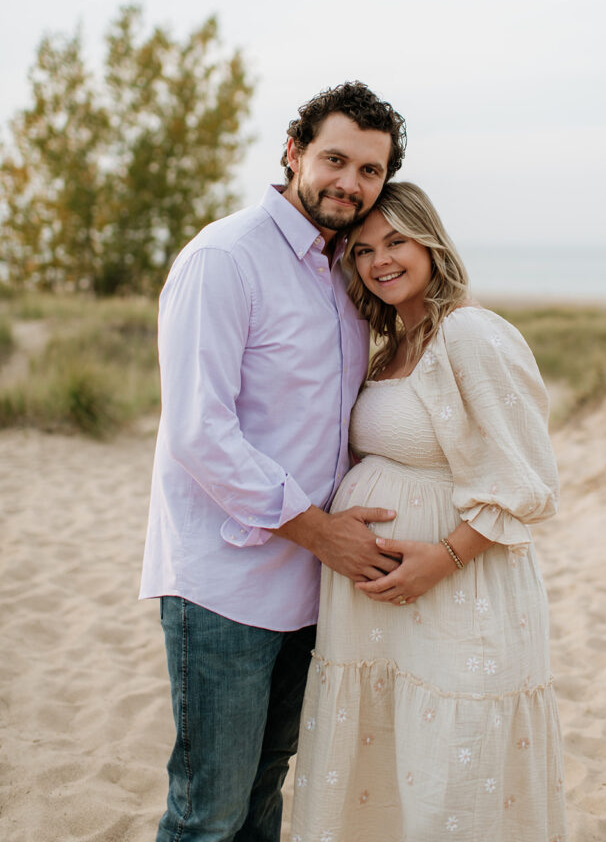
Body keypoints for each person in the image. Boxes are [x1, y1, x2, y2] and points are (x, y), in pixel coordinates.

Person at [139, 81, 408, 842]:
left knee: (264, 791)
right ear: (293, 152)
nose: (349, 183)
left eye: (369, 171)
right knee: (209, 811)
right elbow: (198, 432)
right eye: (334, 159)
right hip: (223, 587)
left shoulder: (342, 277)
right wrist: (324, 532)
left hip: (310, 590)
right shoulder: (224, 259)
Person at [291, 182, 568, 842]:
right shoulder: (393, 343)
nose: (379, 261)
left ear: (430, 243)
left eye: (396, 242)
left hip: (459, 592)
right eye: (362, 251)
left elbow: (526, 483)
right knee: (390, 761)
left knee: (453, 762)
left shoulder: (468, 333)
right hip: (383, 613)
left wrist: (440, 558)